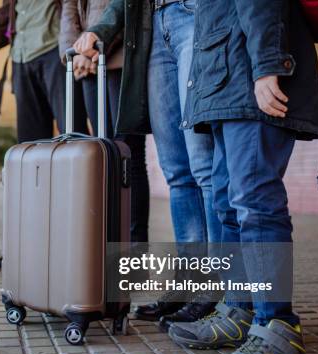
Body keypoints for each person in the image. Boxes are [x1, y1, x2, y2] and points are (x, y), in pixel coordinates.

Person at [164, 0, 318, 354]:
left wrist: (267, 63)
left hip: (248, 71)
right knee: (226, 205)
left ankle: (278, 328)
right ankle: (239, 309)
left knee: (255, 203)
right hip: (224, 82)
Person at [73, 0, 222, 327]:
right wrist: (100, 30)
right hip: (152, 27)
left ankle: (217, 286)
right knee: (177, 172)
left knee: (203, 164)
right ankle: (190, 283)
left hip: (194, 14)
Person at [59, 0, 150, 243]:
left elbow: (125, 6)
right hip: (88, 64)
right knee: (104, 154)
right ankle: (109, 241)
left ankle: (134, 248)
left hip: (119, 58)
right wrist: (74, 51)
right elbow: (70, 8)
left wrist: (99, 43)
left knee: (127, 156)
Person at [0, 0, 89, 143]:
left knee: (71, 128)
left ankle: (80, 164)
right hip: (21, 60)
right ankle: (34, 166)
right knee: (30, 139)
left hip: (55, 53)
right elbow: (3, 21)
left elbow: (73, 9)